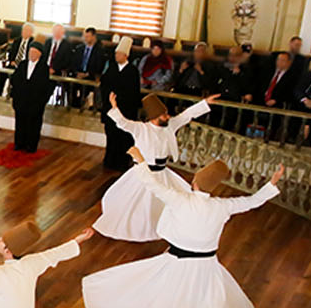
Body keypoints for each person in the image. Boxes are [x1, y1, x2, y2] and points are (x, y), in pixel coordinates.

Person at [82, 153, 286, 308]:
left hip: (177, 262)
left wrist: (141, 161)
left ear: (194, 182)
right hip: (207, 266)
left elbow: (152, 183)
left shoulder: (180, 200)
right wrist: (272, 183)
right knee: (201, 297)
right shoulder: (222, 206)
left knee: (162, 294)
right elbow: (252, 201)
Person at [93, 91, 218, 241]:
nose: (168, 117)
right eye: (164, 115)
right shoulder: (141, 129)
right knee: (139, 204)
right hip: (143, 174)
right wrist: (114, 107)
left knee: (165, 202)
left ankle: (161, 225)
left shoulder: (169, 126)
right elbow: (123, 123)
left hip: (162, 173)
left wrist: (205, 103)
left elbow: (186, 115)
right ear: (153, 117)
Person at [98, 36, 142, 171]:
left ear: (125, 55)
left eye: (119, 54)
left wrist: (119, 99)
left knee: (123, 137)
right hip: (111, 109)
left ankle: (123, 162)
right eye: (116, 53)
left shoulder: (132, 71)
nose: (116, 56)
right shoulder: (111, 68)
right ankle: (109, 160)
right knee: (111, 135)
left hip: (125, 110)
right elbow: (103, 85)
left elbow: (133, 92)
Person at [9, 41, 53, 153]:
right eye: (30, 52)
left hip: (35, 102)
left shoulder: (43, 68)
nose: (31, 54)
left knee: (33, 124)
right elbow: (15, 79)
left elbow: (44, 86)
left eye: (34, 52)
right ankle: (19, 143)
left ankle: (31, 145)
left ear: (39, 54)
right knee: (20, 122)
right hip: (21, 100)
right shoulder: (23, 64)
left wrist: (41, 101)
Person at [258, 51, 301, 141]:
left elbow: (290, 93)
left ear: (289, 63)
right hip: (262, 100)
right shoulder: (268, 71)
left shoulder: (293, 77)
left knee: (273, 118)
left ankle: (269, 138)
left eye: (283, 60)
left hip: (278, 103)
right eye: (278, 60)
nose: (279, 62)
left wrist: (276, 100)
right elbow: (260, 85)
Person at [0, 22, 37, 97]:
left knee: (19, 77)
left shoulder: (33, 43)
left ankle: (14, 93)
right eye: (23, 30)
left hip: (25, 66)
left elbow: (33, 58)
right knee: (2, 73)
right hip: (14, 64)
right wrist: (12, 61)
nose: (24, 32)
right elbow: (11, 53)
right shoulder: (17, 41)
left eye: (27, 30)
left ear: (31, 33)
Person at [73, 27, 108, 109]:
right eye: (84, 36)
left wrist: (87, 74)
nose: (85, 38)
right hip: (78, 76)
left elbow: (99, 66)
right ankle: (74, 105)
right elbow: (73, 63)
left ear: (93, 37)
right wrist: (77, 73)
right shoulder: (79, 48)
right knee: (70, 85)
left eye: (87, 36)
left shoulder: (100, 51)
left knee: (88, 88)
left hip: (91, 76)